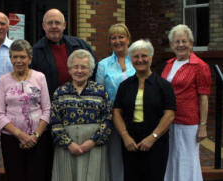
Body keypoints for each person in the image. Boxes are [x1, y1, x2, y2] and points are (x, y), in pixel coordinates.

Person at [113, 39, 176, 181]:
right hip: (130, 143)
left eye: (144, 56)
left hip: (156, 143)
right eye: (136, 56)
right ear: (131, 59)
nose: (140, 60)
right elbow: (116, 112)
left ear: (151, 58)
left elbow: (170, 114)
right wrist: (125, 136)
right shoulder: (125, 86)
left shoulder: (163, 85)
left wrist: (152, 138)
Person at [51, 49, 113, 181]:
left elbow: (108, 118)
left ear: (90, 70)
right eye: (76, 67)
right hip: (67, 148)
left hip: (94, 147)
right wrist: (69, 143)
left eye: (83, 67)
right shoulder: (60, 92)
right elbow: (55, 121)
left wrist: (92, 141)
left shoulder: (100, 91)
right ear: (70, 69)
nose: (79, 71)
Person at [0, 39, 51, 181]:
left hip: (37, 139)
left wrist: (35, 136)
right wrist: (20, 135)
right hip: (11, 139)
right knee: (15, 176)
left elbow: (47, 109)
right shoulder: (3, 80)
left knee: (37, 176)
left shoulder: (40, 77)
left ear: (30, 59)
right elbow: (0, 114)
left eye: (22, 57)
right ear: (10, 59)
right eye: (15, 57)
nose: (18, 60)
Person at [162, 24, 211, 181]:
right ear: (172, 45)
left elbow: (204, 97)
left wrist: (203, 126)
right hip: (168, 120)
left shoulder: (200, 66)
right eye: (177, 42)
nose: (180, 45)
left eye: (184, 41)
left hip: (188, 122)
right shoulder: (169, 64)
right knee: (172, 158)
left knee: (186, 159)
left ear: (191, 43)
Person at [96, 23, 135, 181]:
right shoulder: (103, 65)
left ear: (128, 39)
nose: (117, 41)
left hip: (136, 116)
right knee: (115, 157)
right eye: (113, 38)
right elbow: (100, 93)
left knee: (135, 154)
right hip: (113, 118)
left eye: (121, 37)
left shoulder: (138, 59)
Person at [31, 8, 98, 98]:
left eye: (57, 23)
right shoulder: (35, 52)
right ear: (43, 26)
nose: (54, 26)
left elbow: (94, 71)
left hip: (82, 101)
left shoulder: (81, 45)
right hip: (52, 104)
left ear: (64, 25)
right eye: (50, 23)